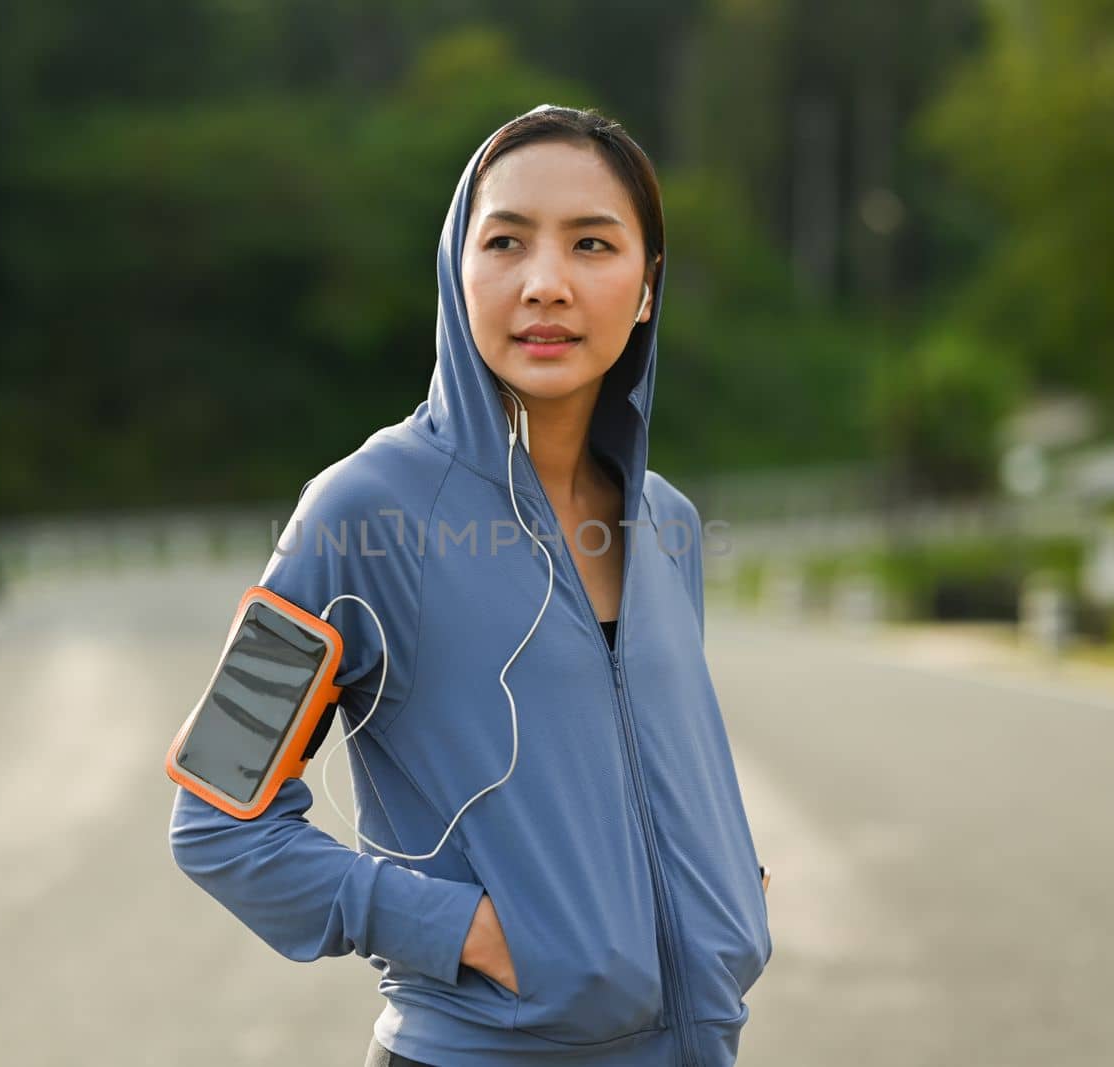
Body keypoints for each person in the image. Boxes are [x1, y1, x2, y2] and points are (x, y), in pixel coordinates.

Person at [170, 104, 772, 1066]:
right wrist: (462, 930)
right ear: (458, 271)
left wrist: (722, 886)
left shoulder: (668, 524)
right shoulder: (360, 510)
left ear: (648, 287)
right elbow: (216, 821)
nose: (546, 284)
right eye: (505, 241)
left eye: (591, 244)